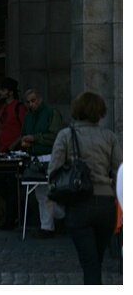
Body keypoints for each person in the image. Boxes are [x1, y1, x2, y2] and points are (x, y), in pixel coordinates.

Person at [48, 91, 122, 285]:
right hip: (106, 205)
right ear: (100, 112)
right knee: (96, 260)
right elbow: (119, 172)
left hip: (79, 204)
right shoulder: (110, 137)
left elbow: (53, 171)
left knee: (89, 263)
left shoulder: (66, 135)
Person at [17, 88, 63, 237]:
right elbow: (25, 133)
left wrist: (35, 138)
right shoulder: (29, 117)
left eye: (33, 100)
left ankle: (50, 224)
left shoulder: (51, 113)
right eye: (28, 102)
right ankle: (48, 225)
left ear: (39, 99)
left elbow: (55, 136)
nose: (31, 104)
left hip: (49, 158)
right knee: (41, 195)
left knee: (49, 193)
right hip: (35, 158)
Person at [0, 77, 26, 230]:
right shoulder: (2, 108)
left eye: (3, 89)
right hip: (2, 152)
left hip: (14, 152)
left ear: (10, 92)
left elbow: (24, 130)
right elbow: (1, 131)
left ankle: (11, 216)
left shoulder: (19, 107)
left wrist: (13, 146)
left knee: (12, 185)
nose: (1, 92)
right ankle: (19, 207)